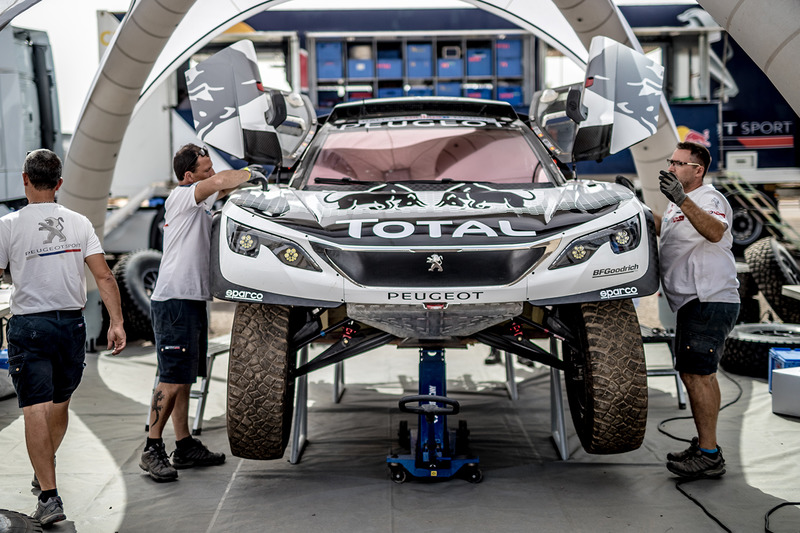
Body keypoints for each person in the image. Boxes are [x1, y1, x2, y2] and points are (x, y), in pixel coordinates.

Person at [0, 149, 126, 526]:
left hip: (28, 326)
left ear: (25, 180)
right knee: (58, 404)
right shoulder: (78, 222)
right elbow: (104, 277)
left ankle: (49, 495)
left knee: (34, 408)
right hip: (71, 326)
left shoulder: (8, 225)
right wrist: (116, 323)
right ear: (58, 183)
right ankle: (45, 476)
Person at [140, 144, 256, 482]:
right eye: (204, 170)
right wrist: (252, 172)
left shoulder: (201, 201)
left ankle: (184, 444)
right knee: (171, 377)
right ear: (189, 176)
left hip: (190, 300)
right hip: (174, 300)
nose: (211, 174)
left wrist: (239, 182)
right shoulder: (182, 196)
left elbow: (224, 185)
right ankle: (151, 447)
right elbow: (223, 180)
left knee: (184, 378)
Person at [653, 141, 740, 479]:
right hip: (695, 301)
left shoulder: (708, 198)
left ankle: (709, 454)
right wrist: (640, 209)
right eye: (670, 161)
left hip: (709, 297)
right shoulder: (683, 204)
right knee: (697, 374)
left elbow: (716, 231)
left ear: (697, 170)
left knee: (697, 375)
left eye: (678, 163)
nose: (671, 167)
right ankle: (708, 447)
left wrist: (681, 199)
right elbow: (668, 232)